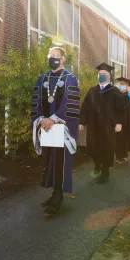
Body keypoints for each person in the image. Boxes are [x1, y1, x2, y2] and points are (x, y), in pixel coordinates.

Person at [31, 47, 80, 216]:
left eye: (57, 56)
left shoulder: (70, 79)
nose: (53, 59)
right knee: (50, 160)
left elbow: (70, 103)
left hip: (61, 126)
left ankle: (58, 196)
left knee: (61, 161)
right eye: (51, 56)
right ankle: (54, 194)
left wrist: (54, 119)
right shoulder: (42, 78)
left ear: (63, 59)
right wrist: (40, 119)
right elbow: (36, 100)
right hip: (46, 126)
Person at [79, 63, 124, 184]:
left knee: (107, 147)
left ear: (109, 76)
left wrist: (119, 123)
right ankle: (97, 164)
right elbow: (85, 107)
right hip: (94, 125)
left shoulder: (114, 91)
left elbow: (121, 108)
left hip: (108, 125)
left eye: (104, 74)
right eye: (100, 74)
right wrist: (82, 121)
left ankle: (105, 171)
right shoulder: (92, 90)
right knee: (92, 147)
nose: (102, 75)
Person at [114, 77, 130, 163]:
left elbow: (126, 112)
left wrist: (121, 123)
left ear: (127, 86)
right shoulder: (116, 94)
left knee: (122, 140)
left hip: (123, 123)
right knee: (117, 140)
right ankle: (119, 155)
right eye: (120, 84)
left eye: (123, 84)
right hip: (116, 121)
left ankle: (122, 156)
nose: (121, 85)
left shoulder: (126, 96)